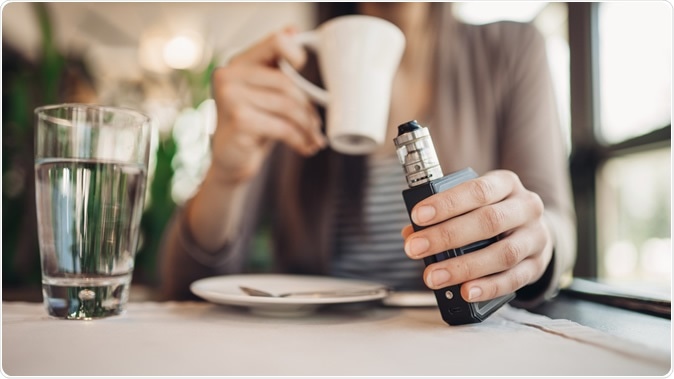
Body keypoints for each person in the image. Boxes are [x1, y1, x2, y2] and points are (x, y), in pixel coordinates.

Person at [158, 2, 576, 309]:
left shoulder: (512, 49)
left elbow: (552, 218)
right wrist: (226, 175)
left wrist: (536, 239)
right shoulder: (288, 81)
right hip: (312, 353)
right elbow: (185, 282)